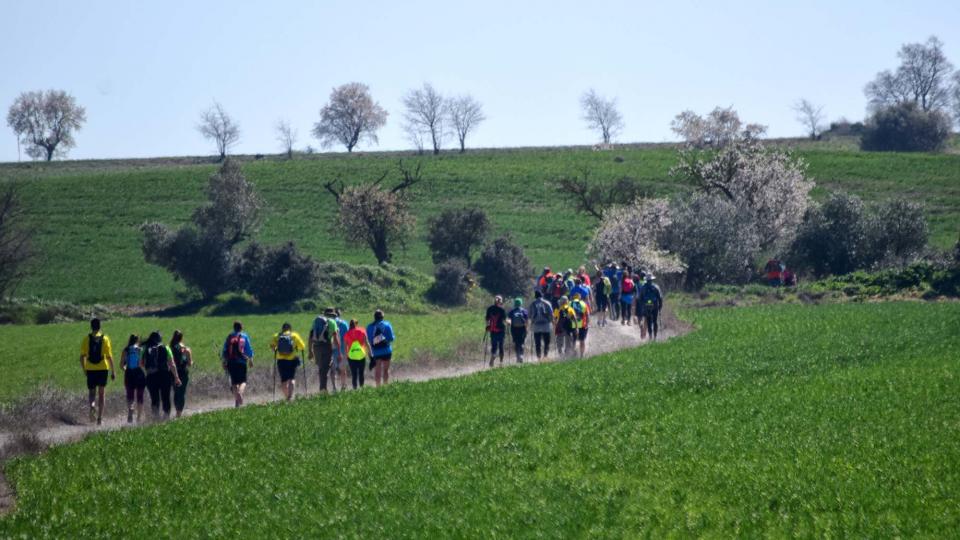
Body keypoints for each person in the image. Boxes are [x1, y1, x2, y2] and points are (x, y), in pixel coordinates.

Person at [80, 318, 115, 426]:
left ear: (91, 326)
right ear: (100, 326)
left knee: (92, 392)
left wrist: (85, 369)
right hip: (103, 368)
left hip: (90, 368)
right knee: (101, 393)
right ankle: (99, 418)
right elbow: (109, 357)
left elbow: (82, 357)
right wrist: (113, 371)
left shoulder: (86, 339)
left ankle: (92, 405)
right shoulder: (105, 338)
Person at [144, 331, 181, 419]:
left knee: (154, 397)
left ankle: (156, 416)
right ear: (160, 339)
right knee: (166, 396)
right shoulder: (166, 348)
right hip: (165, 375)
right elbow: (172, 363)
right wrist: (176, 377)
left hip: (151, 376)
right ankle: (166, 416)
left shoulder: (146, 349)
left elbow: (141, 363)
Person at [222, 321, 254, 407]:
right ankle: (240, 393)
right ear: (241, 327)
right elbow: (249, 349)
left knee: (234, 383)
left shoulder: (229, 336)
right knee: (243, 381)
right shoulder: (244, 336)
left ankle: (237, 403)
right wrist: (251, 360)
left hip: (231, 362)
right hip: (242, 362)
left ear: (234, 327)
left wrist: (224, 361)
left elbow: (224, 350)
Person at [272, 322, 306, 401]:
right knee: (291, 378)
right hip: (292, 360)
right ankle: (290, 397)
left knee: (284, 380)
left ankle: (287, 396)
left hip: (281, 360)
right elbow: (302, 346)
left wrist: (277, 349)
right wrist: (296, 347)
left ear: (282, 328)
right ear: (290, 328)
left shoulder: (277, 336)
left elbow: (272, 346)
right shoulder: (294, 335)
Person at [308, 308, 340, 393]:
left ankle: (322, 388)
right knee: (325, 368)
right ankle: (323, 390)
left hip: (316, 347)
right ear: (332, 315)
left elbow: (311, 336)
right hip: (327, 346)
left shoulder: (316, 321)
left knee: (321, 368)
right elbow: (336, 338)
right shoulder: (333, 322)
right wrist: (339, 352)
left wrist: (310, 350)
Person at [120, 334, 144, 424]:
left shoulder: (126, 350)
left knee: (130, 394)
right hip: (139, 373)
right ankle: (138, 417)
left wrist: (127, 370)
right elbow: (141, 364)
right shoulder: (140, 350)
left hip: (129, 373)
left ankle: (131, 408)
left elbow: (121, 365)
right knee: (140, 395)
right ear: (137, 340)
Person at [367, 309, 395, 386]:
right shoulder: (387, 325)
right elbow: (391, 338)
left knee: (377, 371)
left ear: (374, 317)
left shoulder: (369, 327)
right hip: (386, 351)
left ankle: (378, 387)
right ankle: (385, 385)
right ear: (382, 317)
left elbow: (369, 340)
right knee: (386, 370)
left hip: (376, 352)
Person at [170, 330, 193, 418]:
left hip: (173, 373)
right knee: (182, 393)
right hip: (183, 372)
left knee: (176, 392)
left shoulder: (170, 348)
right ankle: (179, 414)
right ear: (181, 338)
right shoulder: (186, 349)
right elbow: (190, 363)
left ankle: (176, 410)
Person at [343, 319, 369, 389]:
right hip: (361, 355)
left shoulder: (347, 334)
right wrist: (370, 353)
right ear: (356, 324)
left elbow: (345, 347)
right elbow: (366, 343)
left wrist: (345, 357)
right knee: (361, 373)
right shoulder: (362, 331)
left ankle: (355, 389)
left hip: (351, 356)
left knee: (354, 374)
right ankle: (362, 388)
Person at [530, 291, 554, 360]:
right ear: (542, 296)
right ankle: (545, 356)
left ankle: (538, 357)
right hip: (546, 325)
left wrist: (530, 325)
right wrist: (553, 323)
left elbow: (529, 315)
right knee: (547, 342)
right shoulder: (547, 303)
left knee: (537, 343)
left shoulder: (532, 304)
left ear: (535, 296)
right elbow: (551, 314)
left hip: (536, 326)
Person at [639, 274, 664, 340]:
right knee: (655, 321)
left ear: (646, 280)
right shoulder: (656, 287)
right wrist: (660, 306)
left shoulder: (643, 287)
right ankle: (655, 336)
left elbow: (640, 298)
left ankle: (650, 336)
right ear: (652, 280)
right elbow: (660, 297)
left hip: (647, 306)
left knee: (649, 321)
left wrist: (642, 306)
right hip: (655, 306)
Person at [485, 296, 507, 366]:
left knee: (494, 346)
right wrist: (509, 322)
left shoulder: (490, 309)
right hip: (501, 330)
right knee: (501, 346)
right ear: (500, 302)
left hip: (492, 330)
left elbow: (487, 319)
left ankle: (493, 355)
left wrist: (488, 326)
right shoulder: (502, 310)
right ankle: (501, 362)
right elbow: (504, 320)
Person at [332, 309, 350, 391]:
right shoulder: (344, 323)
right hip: (342, 349)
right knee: (343, 369)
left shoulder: (328, 323)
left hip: (332, 350)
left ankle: (334, 387)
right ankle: (343, 386)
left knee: (333, 369)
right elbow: (348, 337)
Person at [507, 297, 529, 363]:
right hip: (522, 329)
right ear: (521, 303)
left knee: (516, 343)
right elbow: (527, 321)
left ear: (515, 303)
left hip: (514, 329)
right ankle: (521, 355)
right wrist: (527, 328)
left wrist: (508, 325)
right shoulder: (524, 311)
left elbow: (508, 320)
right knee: (521, 342)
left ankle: (517, 356)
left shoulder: (512, 311)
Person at [569, 293, 591, 358]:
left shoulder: (570, 304)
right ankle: (581, 355)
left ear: (573, 298)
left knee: (573, 339)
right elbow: (587, 315)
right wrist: (587, 323)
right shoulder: (584, 304)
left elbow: (566, 315)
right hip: (583, 324)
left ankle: (573, 353)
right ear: (580, 298)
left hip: (573, 324)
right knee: (582, 340)